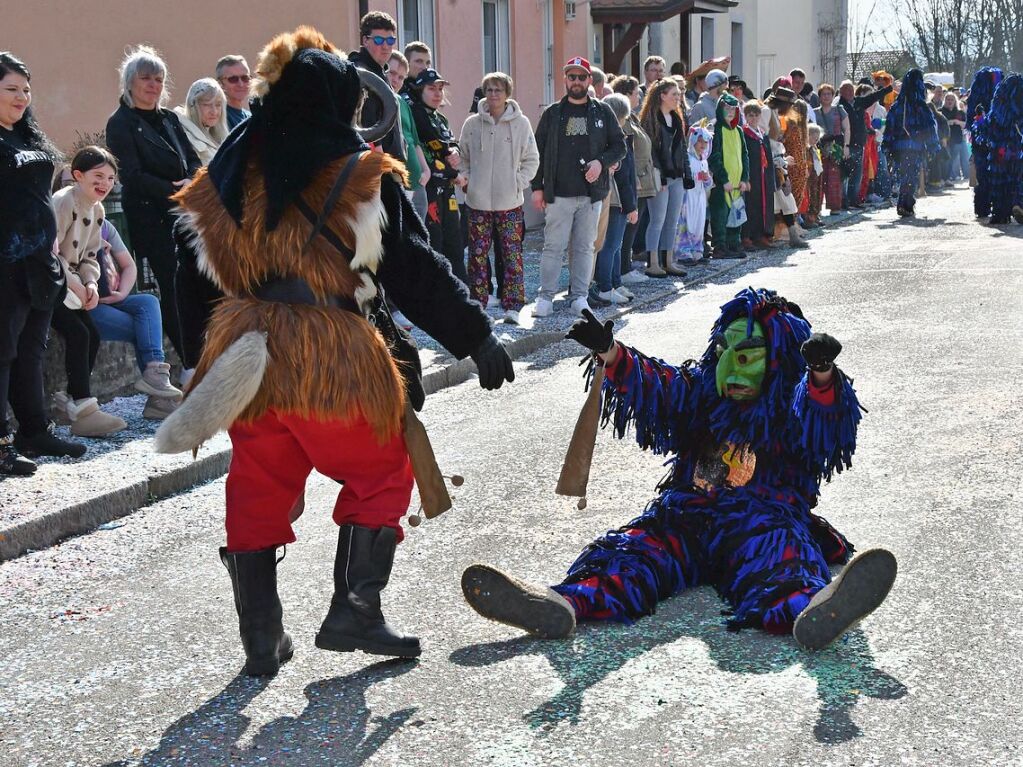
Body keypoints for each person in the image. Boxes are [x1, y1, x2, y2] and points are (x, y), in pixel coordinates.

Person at [156, 27, 514, 676]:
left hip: (247, 358)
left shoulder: (231, 165)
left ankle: (261, 640)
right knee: (380, 472)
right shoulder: (359, 171)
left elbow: (188, 266)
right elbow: (411, 267)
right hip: (330, 356)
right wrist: (474, 335)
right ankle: (354, 610)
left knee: (259, 486)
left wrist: (197, 358)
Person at [462, 288, 897, 653]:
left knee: (779, 557)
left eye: (747, 357)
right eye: (724, 353)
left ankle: (816, 608)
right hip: (687, 516)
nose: (729, 369)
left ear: (780, 363)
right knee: (634, 550)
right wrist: (611, 353)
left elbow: (827, 424)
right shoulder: (702, 393)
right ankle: (561, 603)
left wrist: (822, 378)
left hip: (762, 515)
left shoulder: (790, 407)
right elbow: (660, 384)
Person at [0, 52, 85, 474]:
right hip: (6, 261)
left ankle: (34, 430)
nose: (22, 97)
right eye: (11, 89)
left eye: (26, 89)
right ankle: (1, 444)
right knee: (3, 350)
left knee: (32, 348)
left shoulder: (27, 135)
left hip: (39, 260)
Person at [105, 45, 201, 367]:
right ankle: (189, 364)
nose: (153, 85)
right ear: (130, 82)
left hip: (183, 213)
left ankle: (204, 355)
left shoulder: (170, 119)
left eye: (159, 79)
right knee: (172, 289)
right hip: (152, 217)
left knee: (197, 286)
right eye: (146, 78)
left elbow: (193, 160)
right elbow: (131, 174)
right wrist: (173, 192)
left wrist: (191, 182)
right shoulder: (121, 123)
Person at [530, 56, 626, 318]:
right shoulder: (552, 114)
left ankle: (579, 297)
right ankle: (545, 298)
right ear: (565, 80)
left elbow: (620, 146)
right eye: (571, 77)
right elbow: (536, 152)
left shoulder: (603, 112)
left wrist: (601, 162)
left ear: (588, 80)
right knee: (553, 247)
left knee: (585, 247)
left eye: (581, 77)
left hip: (591, 195)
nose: (576, 81)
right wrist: (537, 187)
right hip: (558, 193)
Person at [50, 147, 129, 437]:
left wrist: (92, 283)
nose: (105, 184)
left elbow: (90, 257)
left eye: (110, 178)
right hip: (49, 281)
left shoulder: (97, 209)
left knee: (91, 334)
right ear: (78, 175)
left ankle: (72, 402)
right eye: (98, 176)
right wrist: (76, 284)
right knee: (79, 333)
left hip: (74, 285)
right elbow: (50, 252)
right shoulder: (63, 202)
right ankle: (82, 407)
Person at [458, 72, 539, 324]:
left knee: (512, 255)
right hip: (478, 202)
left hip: (510, 203)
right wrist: (467, 179)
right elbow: (463, 157)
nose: (493, 94)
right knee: (477, 256)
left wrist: (519, 182)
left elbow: (532, 159)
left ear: (507, 94)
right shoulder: (472, 123)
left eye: (498, 90)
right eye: (489, 90)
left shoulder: (521, 123)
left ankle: (513, 305)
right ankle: (479, 305)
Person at [407, 67, 467, 284]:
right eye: (431, 89)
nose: (437, 93)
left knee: (455, 243)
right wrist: (453, 169)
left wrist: (455, 152)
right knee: (435, 243)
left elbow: (451, 143)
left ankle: (463, 295)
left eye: (440, 88)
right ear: (420, 90)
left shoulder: (440, 118)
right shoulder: (416, 114)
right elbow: (429, 146)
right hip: (430, 188)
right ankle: (436, 297)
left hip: (448, 190)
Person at [639, 78, 693, 277]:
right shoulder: (650, 119)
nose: (678, 98)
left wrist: (687, 173)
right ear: (662, 96)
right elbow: (650, 151)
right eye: (674, 95)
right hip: (659, 177)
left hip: (677, 176)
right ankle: (652, 262)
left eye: (679, 94)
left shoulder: (677, 118)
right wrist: (659, 176)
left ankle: (668, 260)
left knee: (672, 220)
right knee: (657, 220)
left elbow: (683, 148)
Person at [591, 93, 637, 304]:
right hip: (615, 198)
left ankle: (616, 282)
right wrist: (631, 206)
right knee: (610, 244)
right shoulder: (613, 140)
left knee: (616, 245)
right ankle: (605, 286)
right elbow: (623, 177)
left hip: (618, 198)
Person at [611, 76, 654, 285]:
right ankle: (623, 269)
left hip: (641, 179)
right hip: (633, 179)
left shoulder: (632, 118)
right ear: (627, 94)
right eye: (637, 92)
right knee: (626, 228)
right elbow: (627, 153)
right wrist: (634, 176)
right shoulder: (623, 121)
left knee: (632, 227)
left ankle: (625, 267)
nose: (640, 96)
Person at [881, 69, 939, 218]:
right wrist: (933, 147)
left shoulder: (897, 106)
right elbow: (929, 128)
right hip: (914, 146)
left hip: (898, 147)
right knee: (910, 174)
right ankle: (905, 203)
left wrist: (887, 144)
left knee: (903, 174)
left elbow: (890, 126)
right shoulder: (921, 106)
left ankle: (905, 202)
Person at [348, 12, 405, 163]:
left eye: (390, 40)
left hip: (389, 163)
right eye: (379, 40)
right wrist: (380, 160)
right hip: (375, 163)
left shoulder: (379, 72)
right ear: (365, 40)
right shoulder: (360, 71)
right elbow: (365, 117)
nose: (386, 46)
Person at [972, 73, 1023, 225]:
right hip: (1018, 152)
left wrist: (980, 117)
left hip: (999, 153)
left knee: (1000, 183)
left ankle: (1001, 213)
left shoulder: (997, 111)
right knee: (1017, 180)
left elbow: (985, 131)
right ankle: (1018, 203)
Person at [387, 52, 430, 220]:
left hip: (417, 180)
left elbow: (414, 141)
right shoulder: (375, 99)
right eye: (392, 73)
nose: (396, 80)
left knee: (420, 235)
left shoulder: (403, 103)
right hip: (395, 180)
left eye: (401, 77)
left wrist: (426, 171)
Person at [707, 93, 750, 258]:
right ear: (720, 109)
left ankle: (734, 243)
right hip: (722, 185)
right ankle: (720, 246)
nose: (730, 111)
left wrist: (745, 178)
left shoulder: (739, 131)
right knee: (720, 215)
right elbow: (714, 156)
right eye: (727, 108)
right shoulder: (716, 129)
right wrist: (723, 179)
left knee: (737, 215)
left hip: (738, 184)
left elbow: (744, 155)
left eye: (734, 108)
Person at [839, 79, 892, 208]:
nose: (850, 92)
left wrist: (887, 89)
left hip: (859, 143)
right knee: (845, 174)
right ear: (841, 92)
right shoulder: (839, 105)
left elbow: (873, 97)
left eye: (851, 89)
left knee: (858, 174)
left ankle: (854, 200)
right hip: (847, 144)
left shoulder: (859, 102)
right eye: (846, 90)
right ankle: (843, 201)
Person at [966, 67, 1004, 219]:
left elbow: (970, 123)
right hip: (992, 141)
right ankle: (995, 206)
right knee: (994, 171)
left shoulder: (976, 100)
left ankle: (983, 207)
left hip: (983, 142)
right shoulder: (1000, 100)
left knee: (983, 172)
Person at [671, 124, 712, 264]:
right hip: (688, 197)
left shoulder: (704, 161)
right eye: (699, 141)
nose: (702, 145)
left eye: (705, 142)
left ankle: (696, 250)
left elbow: (708, 184)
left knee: (699, 223)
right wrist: (696, 177)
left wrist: (707, 178)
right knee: (686, 223)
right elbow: (684, 177)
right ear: (693, 141)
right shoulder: (687, 158)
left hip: (699, 198)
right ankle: (683, 251)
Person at [740, 100, 777, 250]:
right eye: (750, 115)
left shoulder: (763, 135)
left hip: (764, 176)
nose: (753, 118)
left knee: (764, 205)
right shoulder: (744, 134)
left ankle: (762, 235)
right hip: (753, 175)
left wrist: (772, 179)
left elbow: (768, 157)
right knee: (751, 205)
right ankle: (747, 237)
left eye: (756, 115)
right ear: (746, 116)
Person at [174, 78, 229, 166]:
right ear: (193, 105)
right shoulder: (183, 134)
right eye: (207, 105)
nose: (214, 111)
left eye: (218, 105)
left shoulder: (221, 136)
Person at [814, 83, 849, 214]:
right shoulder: (815, 112)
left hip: (836, 147)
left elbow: (847, 129)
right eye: (824, 94)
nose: (826, 96)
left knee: (834, 177)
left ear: (833, 95)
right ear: (820, 96)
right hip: (820, 147)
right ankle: (816, 208)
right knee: (819, 177)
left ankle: (835, 207)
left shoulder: (839, 109)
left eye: (829, 94)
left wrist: (846, 146)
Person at [215, 55, 251, 130]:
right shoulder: (217, 117)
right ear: (220, 84)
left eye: (245, 78)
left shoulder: (250, 117)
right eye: (233, 79)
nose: (241, 84)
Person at [940, 91, 969, 183]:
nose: (950, 101)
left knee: (954, 160)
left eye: (952, 99)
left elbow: (965, 125)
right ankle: (946, 178)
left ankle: (952, 177)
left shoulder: (960, 112)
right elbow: (938, 125)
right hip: (946, 140)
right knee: (946, 160)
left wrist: (958, 122)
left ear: (955, 101)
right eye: (948, 99)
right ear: (945, 100)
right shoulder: (941, 111)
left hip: (957, 139)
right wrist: (949, 122)